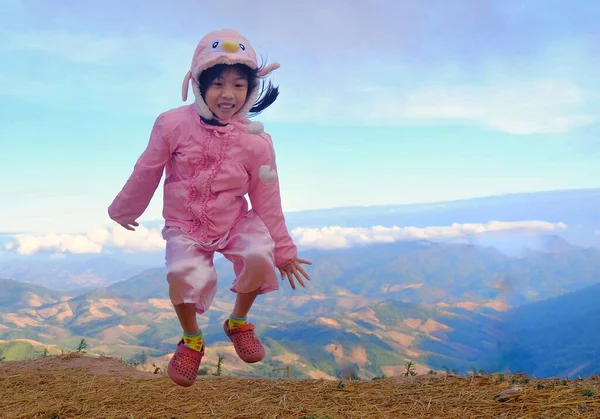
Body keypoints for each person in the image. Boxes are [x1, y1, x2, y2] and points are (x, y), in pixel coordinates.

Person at [107, 28, 311, 387]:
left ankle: (238, 322)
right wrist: (125, 209)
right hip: (185, 223)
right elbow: (148, 168)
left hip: (234, 221)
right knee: (182, 271)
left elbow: (268, 198)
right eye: (218, 83)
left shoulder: (257, 143)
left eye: (238, 85)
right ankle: (191, 339)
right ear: (198, 82)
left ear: (251, 90)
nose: (228, 94)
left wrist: (284, 250)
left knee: (258, 252)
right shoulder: (171, 124)